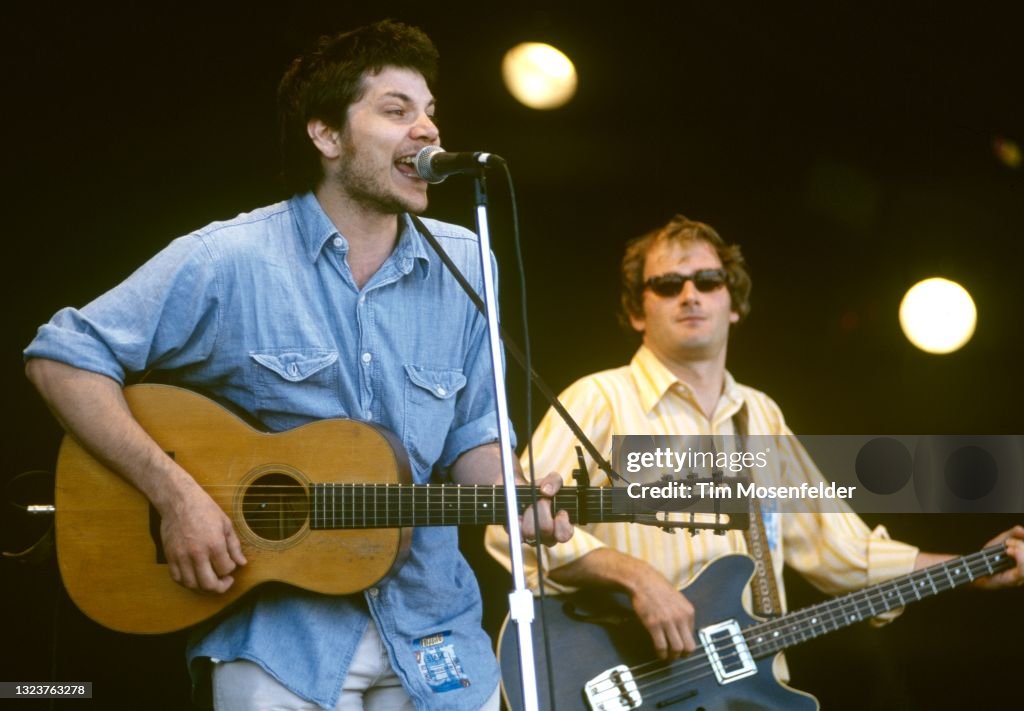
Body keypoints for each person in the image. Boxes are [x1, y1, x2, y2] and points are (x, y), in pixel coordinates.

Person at [25, 20, 570, 711]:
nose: (428, 129)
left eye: (430, 110)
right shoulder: (234, 258)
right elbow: (61, 357)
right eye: (397, 110)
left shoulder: (467, 260)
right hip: (283, 640)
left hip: (436, 630)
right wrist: (175, 494)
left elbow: (473, 432)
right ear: (326, 135)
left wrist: (515, 496)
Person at [486, 214, 1023, 670]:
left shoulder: (760, 416)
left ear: (733, 302)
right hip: (630, 675)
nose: (690, 295)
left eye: (708, 281)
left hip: (748, 690)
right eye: (668, 285)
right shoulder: (600, 398)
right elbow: (509, 522)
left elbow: (848, 556)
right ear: (635, 310)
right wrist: (636, 576)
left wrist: (974, 568)